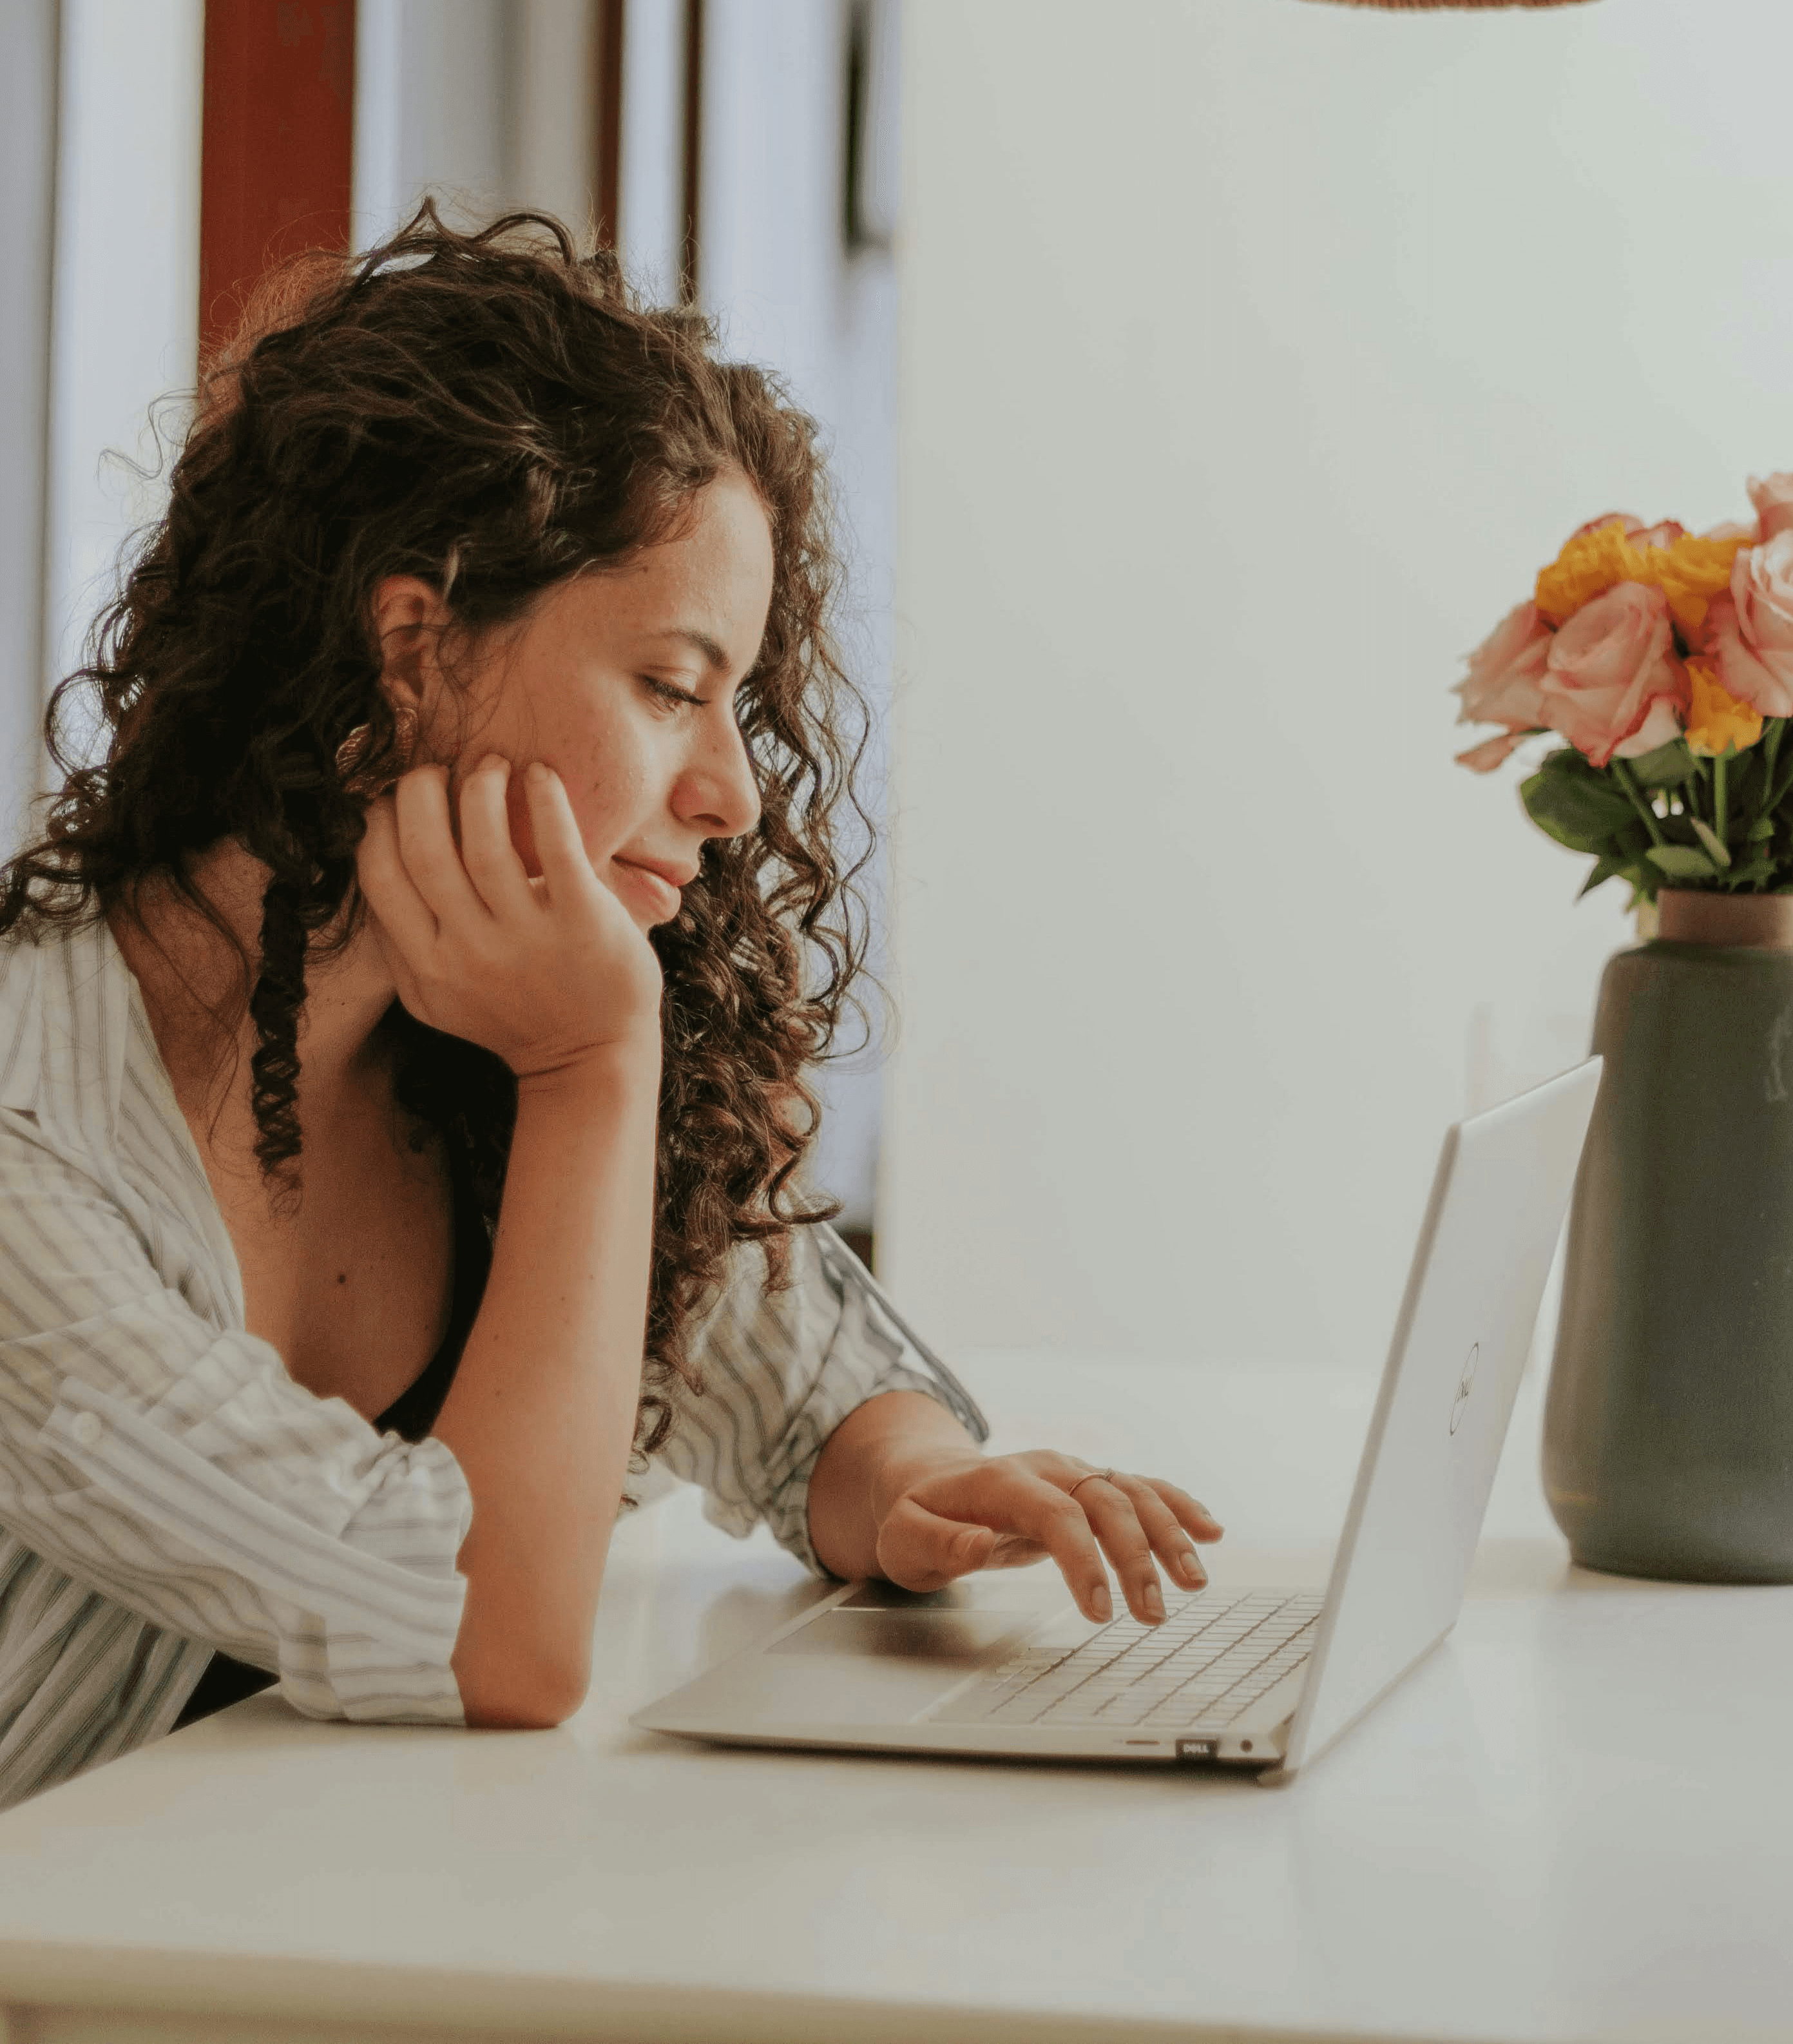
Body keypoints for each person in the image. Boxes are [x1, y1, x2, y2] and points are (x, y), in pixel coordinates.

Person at [0, 207, 1220, 1811]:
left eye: (741, 704)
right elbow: (496, 1647)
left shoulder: (452, 1042)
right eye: (668, 686)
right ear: (415, 643)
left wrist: (917, 1479)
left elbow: (812, 1383)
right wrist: (592, 1068)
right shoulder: (35, 1135)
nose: (727, 792)